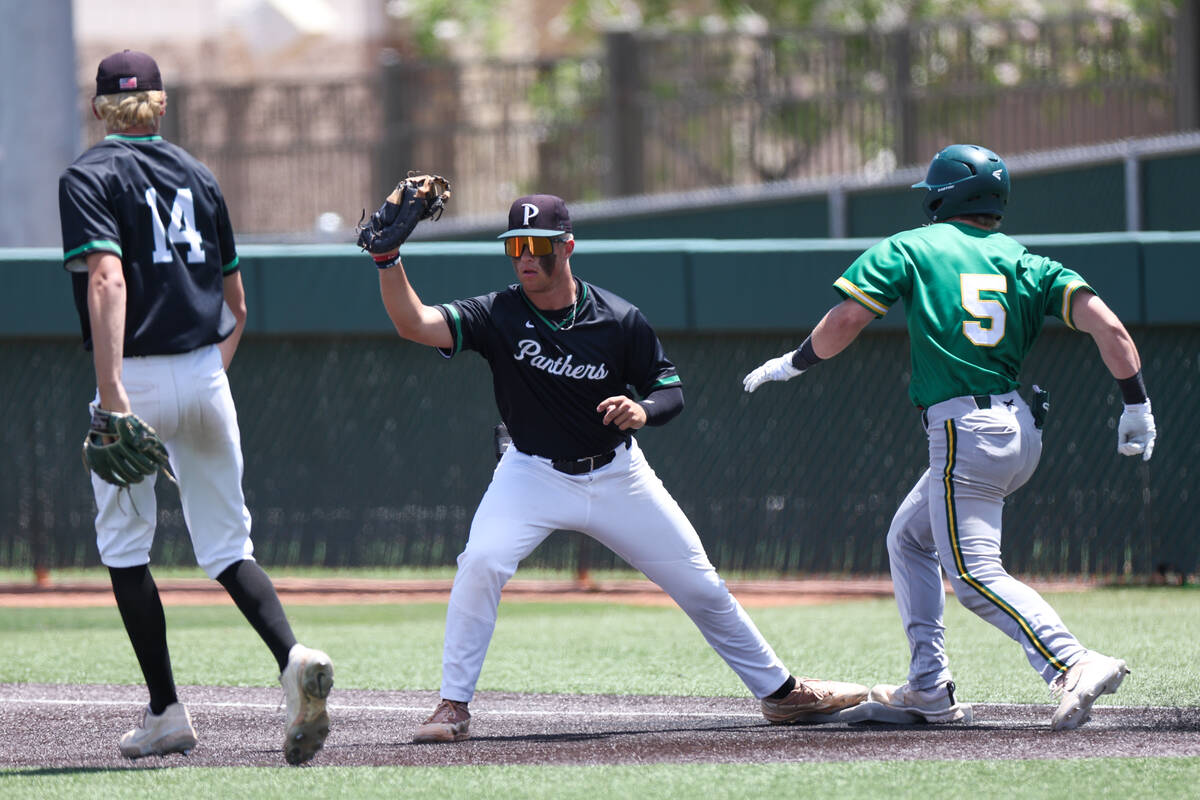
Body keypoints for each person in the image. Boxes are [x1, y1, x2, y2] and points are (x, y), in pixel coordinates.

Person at [374, 192, 869, 742]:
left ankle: (781, 694)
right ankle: (452, 706)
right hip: (530, 473)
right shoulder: (498, 313)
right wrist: (388, 260)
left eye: (538, 245)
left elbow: (670, 391)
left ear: (568, 247)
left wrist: (644, 409)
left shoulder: (617, 317)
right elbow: (414, 324)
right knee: (481, 563)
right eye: (516, 246)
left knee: (701, 586)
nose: (525, 258)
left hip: (616, 475)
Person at [742, 143, 1156, 731]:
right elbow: (1109, 327)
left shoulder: (913, 245)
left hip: (968, 431)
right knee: (909, 540)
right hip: (1018, 432)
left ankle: (1073, 660)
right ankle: (929, 688)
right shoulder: (1027, 261)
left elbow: (846, 320)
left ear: (941, 196)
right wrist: (1137, 405)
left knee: (973, 575)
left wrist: (795, 362)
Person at [57, 50, 334, 763]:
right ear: (161, 103)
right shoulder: (199, 176)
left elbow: (109, 280)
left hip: (136, 375)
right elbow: (238, 304)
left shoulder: (89, 175)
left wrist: (114, 393)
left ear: (99, 110)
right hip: (206, 373)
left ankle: (166, 711)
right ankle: (293, 655)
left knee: (125, 549)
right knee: (227, 547)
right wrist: (206, 381)